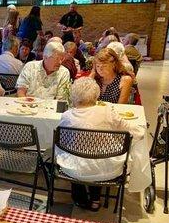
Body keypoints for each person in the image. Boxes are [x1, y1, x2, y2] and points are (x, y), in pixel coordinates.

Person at [57, 77, 145, 211]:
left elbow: (63, 143)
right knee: (96, 157)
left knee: (74, 156)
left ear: (73, 95)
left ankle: (79, 199)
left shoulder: (67, 116)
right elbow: (135, 132)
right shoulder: (107, 111)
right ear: (96, 95)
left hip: (74, 170)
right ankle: (95, 200)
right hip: (107, 169)